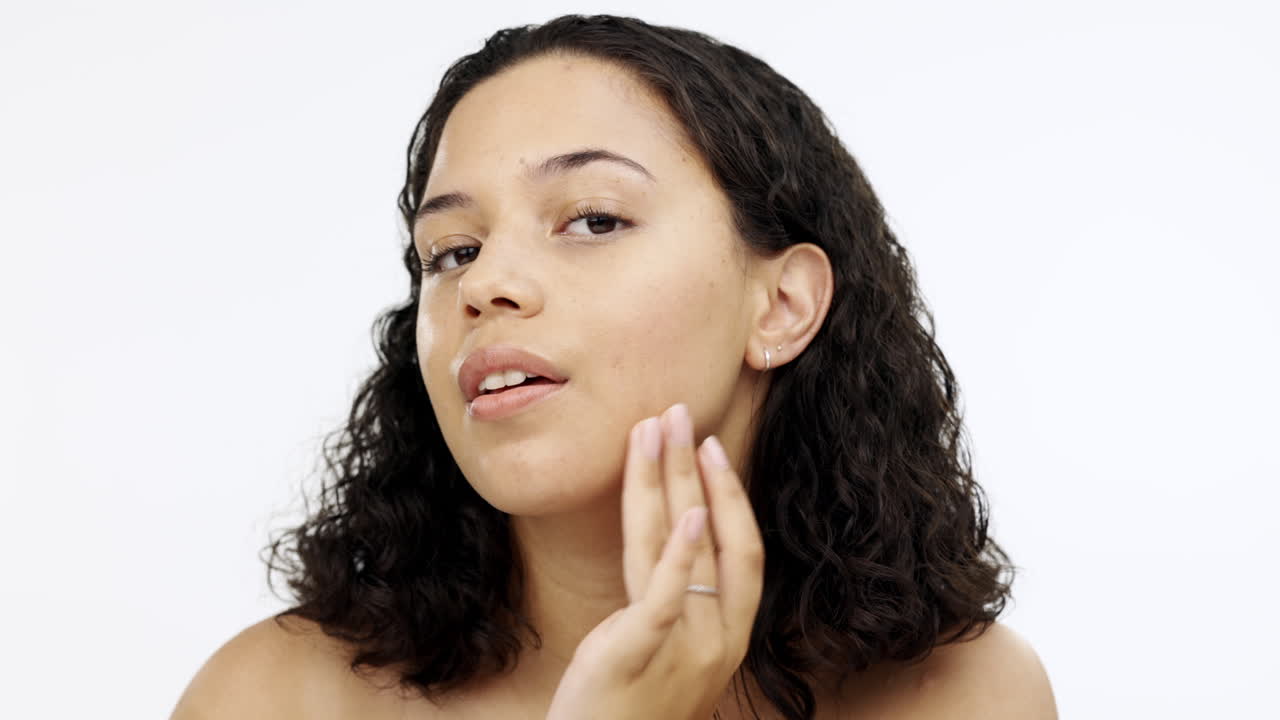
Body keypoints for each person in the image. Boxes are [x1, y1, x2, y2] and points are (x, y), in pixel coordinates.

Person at [171, 13, 1056, 720]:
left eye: (593, 219)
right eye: (450, 250)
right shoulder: (273, 699)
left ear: (781, 306)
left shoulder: (965, 698)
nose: (486, 283)